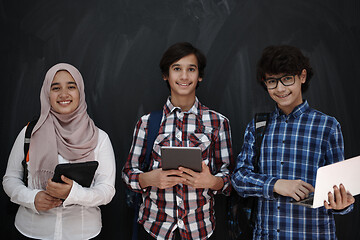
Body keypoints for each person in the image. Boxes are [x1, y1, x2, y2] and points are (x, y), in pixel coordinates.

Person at [231, 45, 355, 239]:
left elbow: (340, 192)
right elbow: (239, 178)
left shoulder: (328, 126)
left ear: (302, 77)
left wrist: (341, 205)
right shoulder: (258, 126)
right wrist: (276, 184)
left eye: (287, 79)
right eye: (272, 81)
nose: (280, 88)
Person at [122, 42, 233, 240]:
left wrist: (212, 181)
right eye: (176, 69)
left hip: (200, 229)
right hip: (154, 229)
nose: (184, 76)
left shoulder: (218, 122)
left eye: (191, 69)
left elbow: (230, 179)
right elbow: (128, 173)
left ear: (200, 76)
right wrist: (149, 179)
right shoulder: (147, 123)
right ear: (166, 75)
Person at [3, 63, 116, 240]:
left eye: (71, 87)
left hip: (83, 233)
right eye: (55, 88)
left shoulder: (100, 138)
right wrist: (32, 198)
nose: (64, 94)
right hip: (32, 231)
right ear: (47, 93)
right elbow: (10, 179)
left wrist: (73, 194)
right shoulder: (29, 134)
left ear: (80, 92)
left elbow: (107, 191)